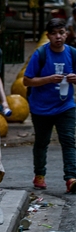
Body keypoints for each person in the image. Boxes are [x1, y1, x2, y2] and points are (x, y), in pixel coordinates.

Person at [24, 18, 76, 191]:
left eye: (61, 33)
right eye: (54, 34)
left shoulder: (72, 53)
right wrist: (47, 79)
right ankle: (39, 174)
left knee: (68, 140)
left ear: (67, 34)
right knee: (41, 142)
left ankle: (71, 178)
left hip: (65, 106)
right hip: (41, 108)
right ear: (48, 36)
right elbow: (26, 81)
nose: (58, 37)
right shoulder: (40, 54)